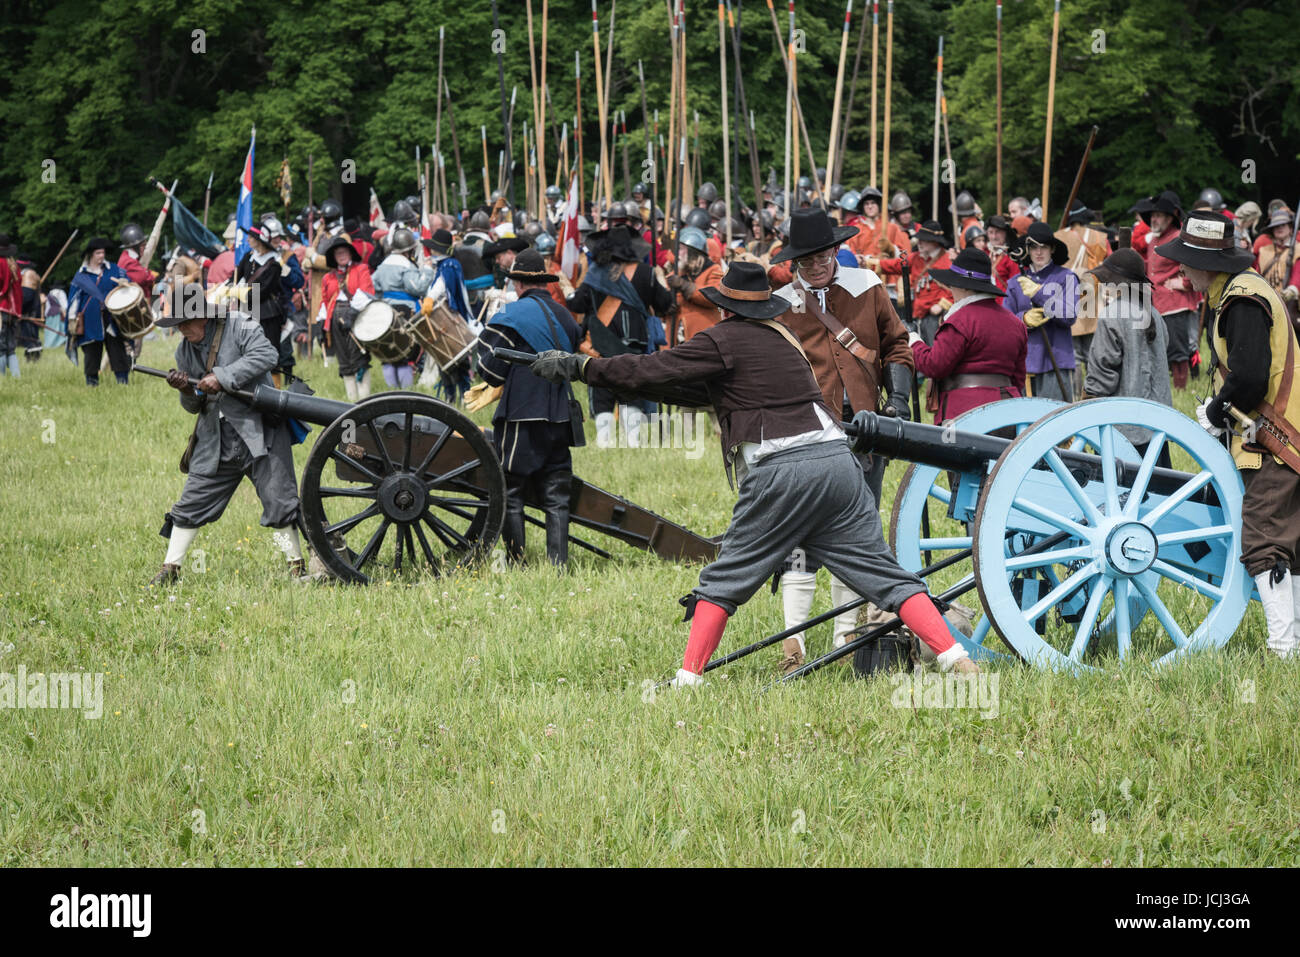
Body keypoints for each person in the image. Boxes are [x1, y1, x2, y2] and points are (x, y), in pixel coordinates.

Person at [529, 261, 979, 684]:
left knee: (726, 576)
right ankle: (956, 659)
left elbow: (652, 369)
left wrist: (581, 367)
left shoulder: (721, 339)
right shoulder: (783, 336)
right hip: (837, 462)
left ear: (725, 306)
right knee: (884, 575)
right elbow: (706, 392)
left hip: (782, 468)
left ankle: (687, 683)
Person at [769, 207, 915, 673]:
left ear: (836, 249)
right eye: (806, 259)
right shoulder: (777, 303)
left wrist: (900, 400)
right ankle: (793, 645)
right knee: (799, 536)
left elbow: (897, 344)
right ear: (794, 260)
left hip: (866, 429)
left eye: (823, 255)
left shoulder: (868, 286)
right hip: (806, 431)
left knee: (857, 531)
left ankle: (846, 638)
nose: (816, 264)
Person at [1157, 211, 1300, 658]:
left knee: (1264, 538)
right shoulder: (1240, 292)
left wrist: (1217, 412)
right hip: (1274, 434)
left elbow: (1251, 378)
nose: (1181, 270)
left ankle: (1283, 649)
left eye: (1186, 261)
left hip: (1274, 437)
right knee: (1289, 540)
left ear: (1208, 264)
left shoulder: (1241, 300)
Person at [151, 283, 304, 586]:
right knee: (190, 503)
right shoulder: (185, 350)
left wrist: (222, 377)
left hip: (259, 430)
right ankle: (170, 570)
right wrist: (185, 389)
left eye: (186, 321)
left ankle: (296, 567)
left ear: (203, 316)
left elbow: (266, 354)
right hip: (215, 438)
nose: (181, 328)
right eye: (177, 323)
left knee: (280, 502)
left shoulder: (240, 325)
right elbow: (195, 405)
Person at [473, 249, 583, 567]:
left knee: (511, 490)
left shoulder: (510, 316)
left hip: (521, 413)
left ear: (518, 284)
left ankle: (518, 561)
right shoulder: (565, 316)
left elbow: (489, 370)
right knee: (557, 494)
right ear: (545, 284)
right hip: (561, 413)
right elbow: (572, 351)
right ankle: (558, 565)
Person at [566, 224, 673, 447]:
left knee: (602, 395)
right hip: (634, 348)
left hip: (599, 347)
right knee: (632, 396)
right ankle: (632, 445)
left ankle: (605, 445)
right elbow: (665, 304)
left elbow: (577, 303)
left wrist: (566, 289)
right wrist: (661, 280)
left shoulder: (595, 273)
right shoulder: (646, 273)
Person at [908, 246, 1026, 423]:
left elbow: (935, 365)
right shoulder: (1016, 324)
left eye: (952, 285)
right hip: (1008, 409)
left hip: (963, 409)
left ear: (961, 287)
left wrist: (914, 342)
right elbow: (1018, 378)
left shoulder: (959, 321)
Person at [1081, 248, 1173, 468]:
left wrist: (1086, 404)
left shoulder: (1112, 315)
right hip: (1156, 425)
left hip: (1123, 429)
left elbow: (1102, 374)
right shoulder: (1155, 314)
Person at [1004, 222, 1079, 401]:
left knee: (1059, 423)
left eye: (1044, 247)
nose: (1039, 252)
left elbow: (1069, 316)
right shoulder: (1015, 282)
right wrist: (1023, 319)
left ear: (1052, 249)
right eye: (1034, 247)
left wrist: (1039, 294)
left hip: (1057, 361)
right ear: (1027, 250)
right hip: (1025, 364)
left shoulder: (1066, 277)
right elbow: (1005, 323)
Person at [1140, 190, 1201, 388]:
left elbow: (1197, 266)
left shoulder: (1179, 237)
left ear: (1169, 217)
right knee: (1160, 349)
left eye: (1158, 215)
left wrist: (1183, 283)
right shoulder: (1155, 240)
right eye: (1152, 216)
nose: (1153, 219)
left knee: (1178, 351)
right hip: (1157, 303)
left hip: (1176, 303)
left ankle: (1181, 389)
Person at [1055, 200, 1112, 393]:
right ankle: (1094, 394)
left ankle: (1077, 395)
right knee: (1092, 356)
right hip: (1093, 301)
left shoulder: (1057, 238)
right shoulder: (1099, 237)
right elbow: (1110, 267)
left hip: (1066, 300)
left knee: (1075, 357)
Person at [872, 220, 953, 342]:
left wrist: (942, 305)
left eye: (924, 239)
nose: (919, 242)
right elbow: (894, 265)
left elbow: (956, 289)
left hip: (936, 317)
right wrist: (872, 262)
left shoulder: (947, 261)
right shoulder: (916, 257)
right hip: (918, 313)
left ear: (934, 242)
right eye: (919, 239)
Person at [66, 237, 132, 386]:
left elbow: (128, 285)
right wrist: (72, 322)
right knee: (91, 354)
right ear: (90, 254)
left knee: (118, 352)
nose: (101, 256)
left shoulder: (114, 270)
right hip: (90, 321)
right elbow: (74, 300)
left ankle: (123, 382)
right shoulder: (81, 275)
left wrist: (125, 283)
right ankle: (92, 383)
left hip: (112, 319)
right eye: (98, 253)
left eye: (103, 253)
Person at [369, 227, 428, 389]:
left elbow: (373, 286)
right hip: (405, 311)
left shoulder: (382, 266)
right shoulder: (406, 267)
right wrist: (428, 272)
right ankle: (404, 392)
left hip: (385, 313)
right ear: (409, 250)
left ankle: (392, 391)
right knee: (405, 354)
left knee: (388, 354)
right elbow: (418, 288)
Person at [316, 237, 374, 400]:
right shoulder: (328, 278)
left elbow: (365, 293)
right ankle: (351, 402)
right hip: (335, 317)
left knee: (359, 358)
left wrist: (351, 316)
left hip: (357, 315)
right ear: (333, 257)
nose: (341, 255)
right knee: (344, 361)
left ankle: (364, 401)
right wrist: (321, 325)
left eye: (344, 251)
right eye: (337, 253)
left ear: (350, 252)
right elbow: (325, 301)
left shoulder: (361, 269)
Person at [235, 224, 291, 379]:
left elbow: (263, 291)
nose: (247, 239)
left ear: (259, 240)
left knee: (271, 352)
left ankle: (275, 388)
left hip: (267, 313)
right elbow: (236, 278)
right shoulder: (248, 257)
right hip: (247, 311)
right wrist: (228, 289)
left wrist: (240, 293)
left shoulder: (273, 265)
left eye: (251, 237)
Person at [664, 226, 722, 346]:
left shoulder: (713, 270)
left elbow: (713, 297)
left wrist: (685, 286)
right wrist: (665, 304)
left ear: (692, 251)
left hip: (703, 338)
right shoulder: (675, 274)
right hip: (676, 339)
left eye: (680, 249)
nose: (676, 253)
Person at [0, 235, 21, 377]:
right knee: (11, 348)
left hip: (2, 309)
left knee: (1, 347)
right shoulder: (14, 264)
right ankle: (16, 376)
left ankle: (1, 377)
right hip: (13, 312)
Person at [985, 215, 1020, 291]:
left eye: (997, 232)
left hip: (1004, 301)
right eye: (991, 232)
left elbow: (1015, 287)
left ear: (1005, 234)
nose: (994, 237)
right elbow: (973, 275)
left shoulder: (1012, 257)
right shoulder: (984, 252)